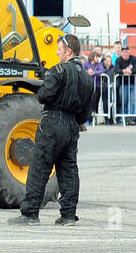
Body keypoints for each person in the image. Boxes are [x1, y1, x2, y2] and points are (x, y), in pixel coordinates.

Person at [9, 34, 93, 226]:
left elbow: (43, 96)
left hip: (52, 121)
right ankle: (69, 215)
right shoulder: (88, 79)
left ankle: (30, 214)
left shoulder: (58, 71)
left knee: (40, 167)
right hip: (72, 125)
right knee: (69, 170)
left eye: (59, 50)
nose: (57, 52)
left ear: (68, 51)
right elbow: (86, 111)